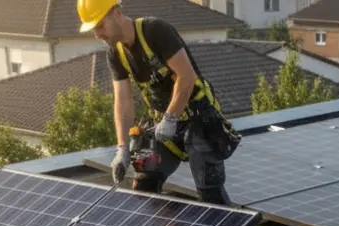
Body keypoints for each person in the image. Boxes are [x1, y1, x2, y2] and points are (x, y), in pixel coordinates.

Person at [78, 0, 241, 205]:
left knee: (209, 189)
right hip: (161, 123)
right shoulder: (115, 53)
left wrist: (171, 117)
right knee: (144, 184)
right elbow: (123, 101)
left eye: (101, 25)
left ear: (117, 13)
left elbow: (186, 77)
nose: (98, 34)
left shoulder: (155, 31)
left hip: (198, 117)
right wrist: (122, 149)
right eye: (94, 29)